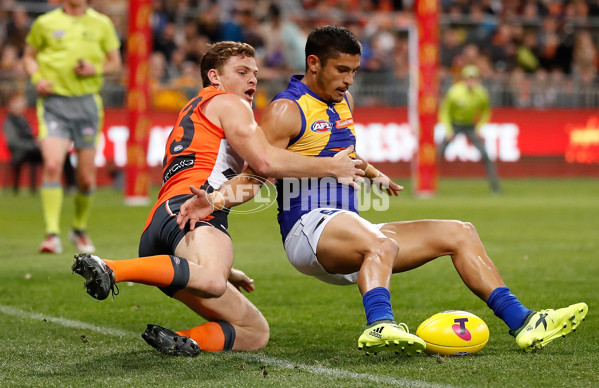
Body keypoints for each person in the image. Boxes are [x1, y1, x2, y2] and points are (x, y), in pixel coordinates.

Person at [177, 26, 588, 356]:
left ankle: (525, 322)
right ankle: (379, 325)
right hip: (308, 229)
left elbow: (344, 151)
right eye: (342, 70)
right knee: (379, 243)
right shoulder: (287, 110)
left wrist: (374, 174)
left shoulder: (342, 101)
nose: (349, 79)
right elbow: (256, 174)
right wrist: (212, 201)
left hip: (352, 226)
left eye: (354, 71)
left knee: (459, 232)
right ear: (314, 64)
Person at [71, 41, 363, 357]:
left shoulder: (196, 107)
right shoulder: (229, 103)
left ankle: (182, 338)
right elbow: (264, 164)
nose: (252, 80)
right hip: (196, 210)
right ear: (214, 76)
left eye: (255, 73)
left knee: (253, 331)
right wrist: (331, 166)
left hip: (165, 222)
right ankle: (111, 268)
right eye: (241, 72)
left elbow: (248, 179)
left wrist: (218, 267)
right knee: (212, 281)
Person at [23, 0, 122, 254]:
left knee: (87, 180)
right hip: (54, 103)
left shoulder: (101, 23)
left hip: (87, 105)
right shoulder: (45, 23)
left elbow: (115, 64)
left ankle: (78, 229)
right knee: (53, 164)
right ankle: (51, 235)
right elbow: (28, 57)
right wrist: (37, 78)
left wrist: (95, 68)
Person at [438, 65, 502, 194]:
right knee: (438, 154)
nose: (471, 82)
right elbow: (444, 112)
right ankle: (427, 185)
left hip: (470, 125)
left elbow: (486, 111)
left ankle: (495, 188)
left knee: (485, 155)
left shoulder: (481, 93)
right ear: (463, 79)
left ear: (477, 80)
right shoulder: (454, 92)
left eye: (473, 79)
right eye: (468, 79)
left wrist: (479, 127)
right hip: (454, 124)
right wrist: (449, 130)